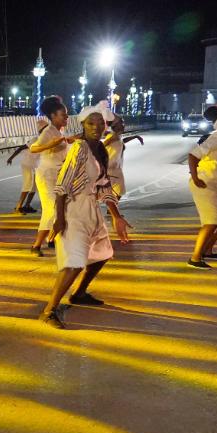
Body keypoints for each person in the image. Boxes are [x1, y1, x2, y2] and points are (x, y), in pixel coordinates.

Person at [38, 104, 132, 328]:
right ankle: (49, 310)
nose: (97, 127)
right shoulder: (79, 147)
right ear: (82, 124)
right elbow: (62, 185)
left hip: (91, 208)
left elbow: (104, 185)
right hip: (74, 209)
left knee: (102, 254)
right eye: (91, 123)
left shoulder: (99, 148)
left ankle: (79, 293)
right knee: (74, 263)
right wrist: (59, 219)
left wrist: (116, 216)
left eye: (101, 123)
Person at [187, 107, 217, 269]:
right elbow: (193, 155)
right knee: (212, 221)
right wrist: (195, 177)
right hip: (205, 182)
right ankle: (195, 258)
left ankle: (208, 249)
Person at [29, 96, 72, 257]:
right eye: (63, 115)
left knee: (61, 209)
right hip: (46, 175)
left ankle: (52, 239)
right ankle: (36, 245)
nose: (66, 117)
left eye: (66, 115)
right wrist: (51, 144)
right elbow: (34, 148)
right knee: (51, 210)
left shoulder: (59, 131)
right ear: (53, 116)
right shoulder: (48, 131)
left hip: (58, 176)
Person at [6, 117, 48, 214]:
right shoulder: (36, 139)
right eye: (46, 128)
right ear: (41, 130)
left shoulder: (46, 139)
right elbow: (21, 148)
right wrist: (11, 158)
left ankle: (27, 205)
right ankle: (18, 206)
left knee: (34, 186)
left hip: (35, 165)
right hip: (28, 164)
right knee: (28, 184)